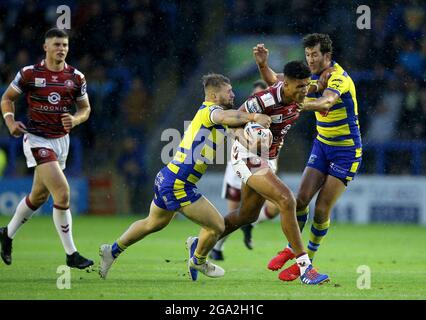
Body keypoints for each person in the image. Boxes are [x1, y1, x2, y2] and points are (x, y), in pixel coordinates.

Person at [98, 73, 271, 281]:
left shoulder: (219, 117)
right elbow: (226, 118)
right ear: (215, 95)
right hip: (179, 183)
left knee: (152, 223)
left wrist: (256, 142)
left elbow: (236, 132)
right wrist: (253, 117)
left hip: (168, 176)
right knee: (217, 225)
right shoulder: (211, 111)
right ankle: (198, 258)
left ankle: (112, 251)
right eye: (229, 91)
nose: (233, 94)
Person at [209, 61, 330, 285]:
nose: (303, 91)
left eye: (306, 85)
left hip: (267, 158)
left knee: (247, 215)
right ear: (285, 84)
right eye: (299, 87)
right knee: (286, 200)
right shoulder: (264, 100)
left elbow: (313, 90)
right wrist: (246, 137)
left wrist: (321, 89)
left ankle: (202, 241)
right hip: (247, 155)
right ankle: (306, 268)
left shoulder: (301, 94)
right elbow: (233, 121)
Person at [255, 33, 362, 281]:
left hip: (346, 151)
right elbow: (277, 82)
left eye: (315, 55)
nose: (311, 60)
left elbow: (327, 102)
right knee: (300, 199)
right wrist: (262, 64)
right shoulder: (310, 77)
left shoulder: (340, 78)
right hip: (322, 146)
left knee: (322, 209)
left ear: (327, 55)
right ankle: (293, 250)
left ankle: (307, 260)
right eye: (307, 55)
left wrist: (298, 103)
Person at [0, 28, 93, 269]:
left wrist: (75, 120)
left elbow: (85, 109)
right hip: (36, 139)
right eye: (56, 44)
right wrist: (10, 122)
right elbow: (6, 98)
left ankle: (6, 234)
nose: (61, 48)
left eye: (64, 45)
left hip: (62, 141)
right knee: (62, 192)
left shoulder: (76, 77)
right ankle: (71, 254)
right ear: (46, 47)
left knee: (39, 196)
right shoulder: (30, 74)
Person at [210, 80, 268, 260]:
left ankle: (251, 223)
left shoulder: (272, 115)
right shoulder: (246, 112)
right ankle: (217, 246)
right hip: (239, 165)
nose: (258, 98)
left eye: (262, 94)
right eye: (256, 95)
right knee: (235, 213)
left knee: (274, 207)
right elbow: (234, 130)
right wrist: (249, 144)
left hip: (262, 166)